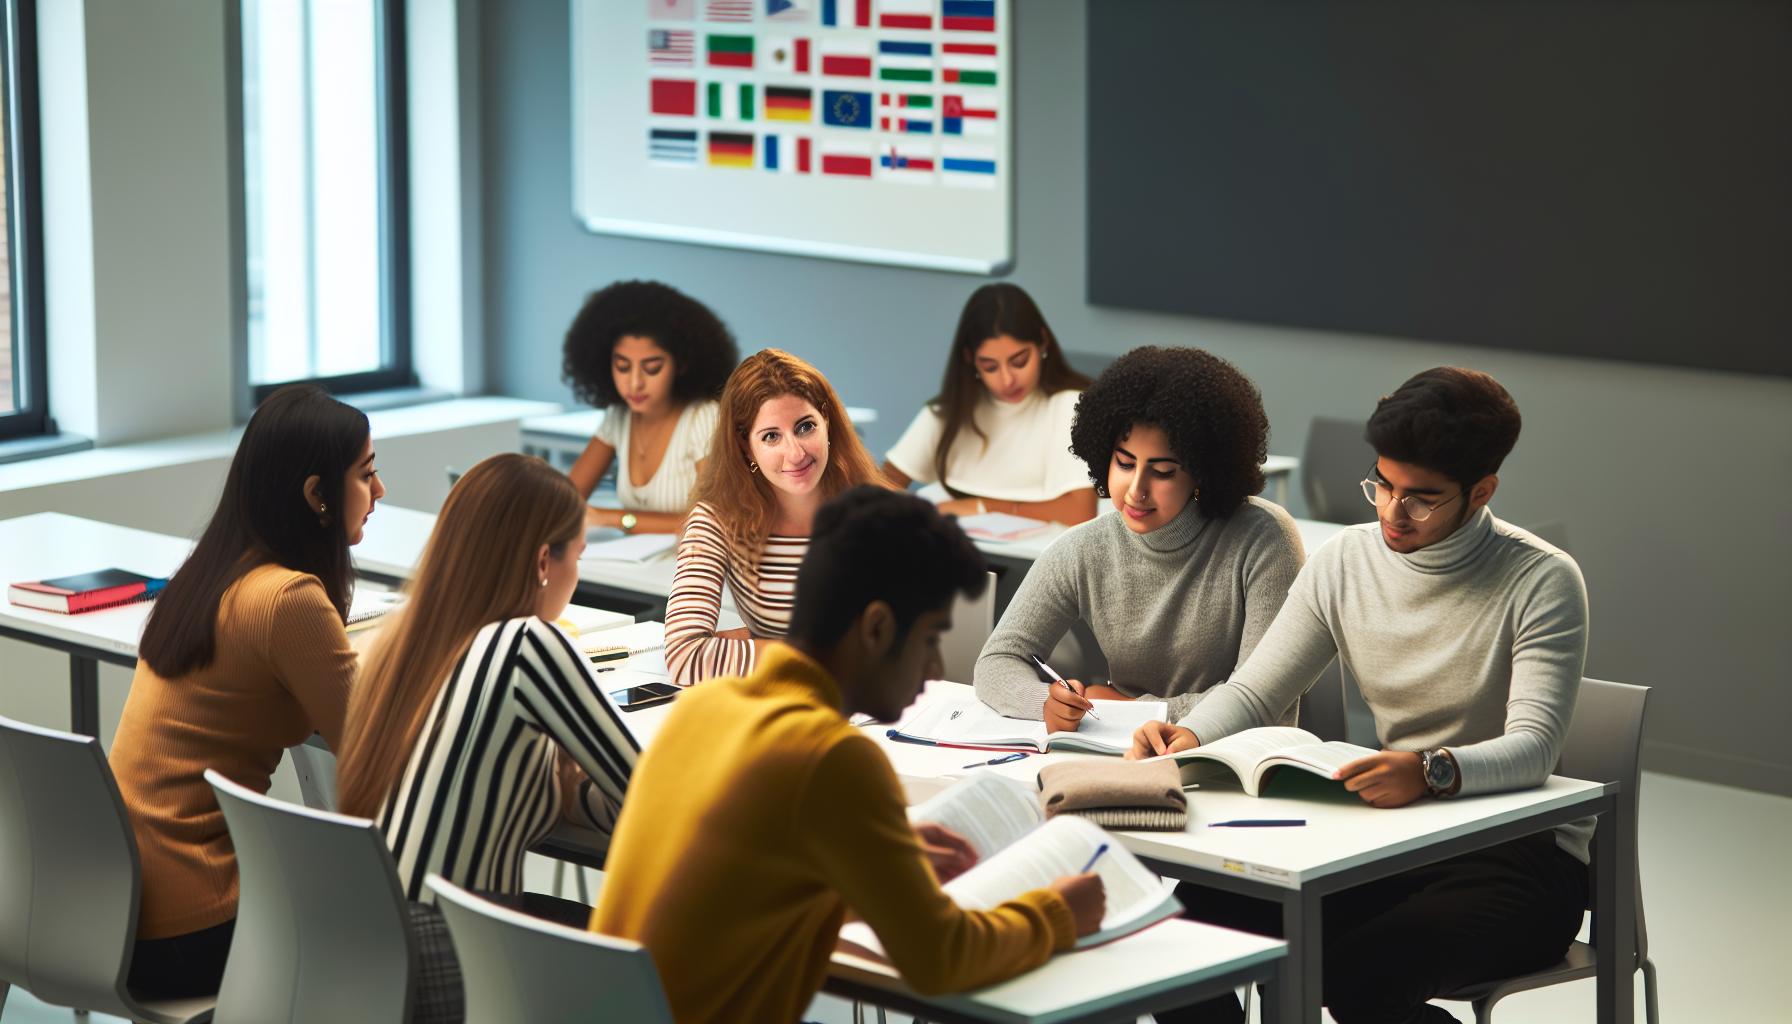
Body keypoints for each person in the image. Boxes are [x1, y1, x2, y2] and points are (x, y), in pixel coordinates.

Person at [1132, 368, 1591, 1024]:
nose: (1391, 513)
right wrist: (1191, 737)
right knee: (1178, 930)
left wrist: (1430, 772)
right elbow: (1260, 688)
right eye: (1383, 485)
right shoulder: (1346, 559)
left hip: (1518, 859)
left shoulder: (1541, 579)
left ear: (1482, 490)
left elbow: (1535, 749)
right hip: (1391, 838)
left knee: (1354, 976)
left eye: (1422, 498)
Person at [594, 487, 1104, 1024]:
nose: (934, 669)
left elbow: (758, 869)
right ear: (877, 627)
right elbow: (941, 958)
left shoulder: (705, 707)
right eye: (930, 638)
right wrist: (1058, 913)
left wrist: (878, 853)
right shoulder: (832, 758)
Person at [336, 453, 638, 1024]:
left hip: (376, 949)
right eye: (578, 555)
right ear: (544, 562)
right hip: (451, 958)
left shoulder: (416, 646)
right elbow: (651, 795)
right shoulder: (526, 644)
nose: (578, 572)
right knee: (655, 962)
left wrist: (574, 792)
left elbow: (582, 799)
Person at [109, 384, 383, 998]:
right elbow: (373, 747)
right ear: (316, 494)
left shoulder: (213, 574)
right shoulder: (288, 599)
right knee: (391, 934)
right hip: (192, 928)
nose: (380, 492)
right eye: (367, 475)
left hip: (114, 915)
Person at [973, 346, 1304, 730]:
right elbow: (996, 663)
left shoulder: (1265, 540)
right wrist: (1048, 702)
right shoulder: (1082, 549)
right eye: (1125, 464)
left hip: (1225, 761)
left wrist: (1128, 710)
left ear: (1201, 472)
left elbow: (1263, 700)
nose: (1136, 490)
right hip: (1118, 753)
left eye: (1162, 471)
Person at [663, 348, 887, 686]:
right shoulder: (716, 519)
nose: (795, 453)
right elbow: (685, 657)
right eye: (771, 436)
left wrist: (748, 645)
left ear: (826, 421)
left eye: (805, 427)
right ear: (744, 445)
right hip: (774, 699)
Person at [882, 283, 1095, 524]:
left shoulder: (1069, 405)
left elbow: (1079, 512)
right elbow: (879, 489)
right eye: (990, 367)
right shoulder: (948, 412)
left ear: (1043, 343)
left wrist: (982, 506)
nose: (1007, 380)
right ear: (970, 360)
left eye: (1019, 361)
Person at [561, 280, 739, 534]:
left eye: (652, 368)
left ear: (682, 364)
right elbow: (566, 502)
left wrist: (611, 518)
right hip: (635, 567)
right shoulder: (618, 417)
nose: (635, 383)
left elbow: (714, 521)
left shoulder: (704, 418)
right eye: (622, 366)